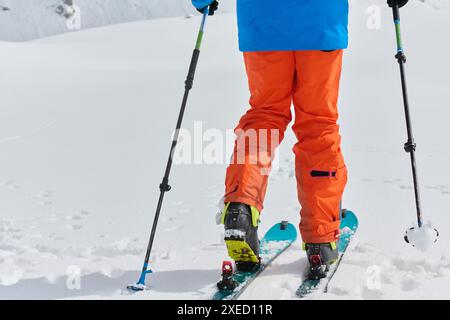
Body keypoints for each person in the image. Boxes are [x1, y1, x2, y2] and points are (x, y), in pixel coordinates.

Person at [191, 0, 408, 279]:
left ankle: (241, 205)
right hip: (321, 23)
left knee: (264, 117)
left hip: (262, 24)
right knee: (318, 125)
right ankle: (320, 236)